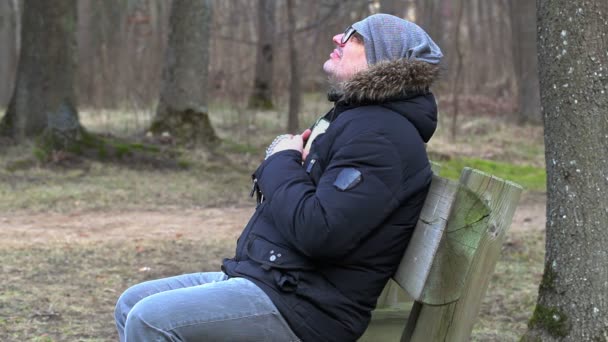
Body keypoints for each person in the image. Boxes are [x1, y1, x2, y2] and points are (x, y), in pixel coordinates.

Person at [114, 13, 442, 342]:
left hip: (307, 308)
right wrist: (288, 161)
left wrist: (280, 159)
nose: (337, 39)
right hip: (280, 281)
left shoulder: (381, 136)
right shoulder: (358, 120)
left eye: (354, 37)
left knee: (150, 319)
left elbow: (319, 231)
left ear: (384, 60)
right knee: (131, 304)